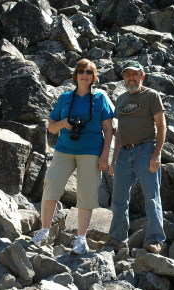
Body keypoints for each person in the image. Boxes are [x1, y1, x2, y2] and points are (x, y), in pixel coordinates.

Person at [31, 58, 114, 254]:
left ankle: (81, 238)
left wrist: (105, 156)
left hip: (91, 151)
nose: (85, 75)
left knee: (86, 195)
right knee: (51, 185)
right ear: (75, 75)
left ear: (94, 76)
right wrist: (64, 123)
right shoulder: (65, 98)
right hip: (64, 149)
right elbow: (51, 127)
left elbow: (109, 129)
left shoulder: (101, 98)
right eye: (81, 71)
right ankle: (44, 231)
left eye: (89, 72)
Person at [106, 60, 166, 254]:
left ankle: (155, 240)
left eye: (135, 74)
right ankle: (117, 240)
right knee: (119, 199)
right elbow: (120, 132)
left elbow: (161, 125)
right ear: (123, 78)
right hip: (124, 153)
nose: (131, 78)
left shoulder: (151, 95)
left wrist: (156, 154)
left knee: (152, 197)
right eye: (127, 75)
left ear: (142, 76)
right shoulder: (121, 99)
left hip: (145, 150)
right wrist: (114, 160)